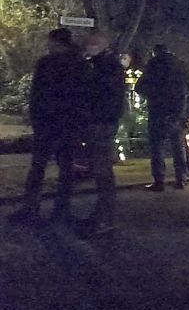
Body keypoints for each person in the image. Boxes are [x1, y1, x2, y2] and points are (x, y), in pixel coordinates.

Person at [6, 28, 90, 226]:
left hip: (47, 123)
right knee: (66, 168)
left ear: (55, 42)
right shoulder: (81, 64)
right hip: (69, 124)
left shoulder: (46, 63)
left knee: (38, 167)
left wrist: (35, 118)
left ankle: (30, 209)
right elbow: (84, 96)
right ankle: (62, 211)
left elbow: (38, 95)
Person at [76, 30, 126, 236]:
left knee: (102, 170)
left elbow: (96, 92)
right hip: (104, 121)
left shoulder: (104, 67)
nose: (86, 49)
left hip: (101, 122)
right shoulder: (107, 65)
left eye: (89, 45)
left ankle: (105, 218)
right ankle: (102, 215)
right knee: (102, 170)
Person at [135, 44, 189, 191]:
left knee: (157, 146)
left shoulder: (153, 65)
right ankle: (181, 179)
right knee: (178, 144)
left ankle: (159, 181)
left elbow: (139, 87)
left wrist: (152, 95)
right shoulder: (180, 64)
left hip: (157, 109)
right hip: (177, 109)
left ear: (155, 52)